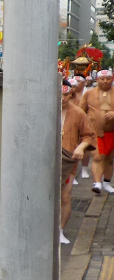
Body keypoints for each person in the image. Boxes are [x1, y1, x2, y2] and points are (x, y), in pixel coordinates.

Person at [61, 79, 95, 244]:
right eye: (59, 94)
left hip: (68, 160)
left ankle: (60, 230)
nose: (62, 98)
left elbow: (89, 135)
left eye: (66, 94)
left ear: (71, 94)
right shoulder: (43, 110)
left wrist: (81, 147)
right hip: (45, 160)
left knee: (65, 196)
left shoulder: (78, 112)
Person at [80, 69, 114, 194]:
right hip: (95, 132)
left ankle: (106, 182)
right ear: (97, 80)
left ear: (112, 79)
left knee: (109, 159)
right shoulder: (89, 93)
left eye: (108, 78)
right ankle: (97, 183)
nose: (105, 81)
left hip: (111, 132)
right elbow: (81, 112)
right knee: (99, 157)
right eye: (102, 79)